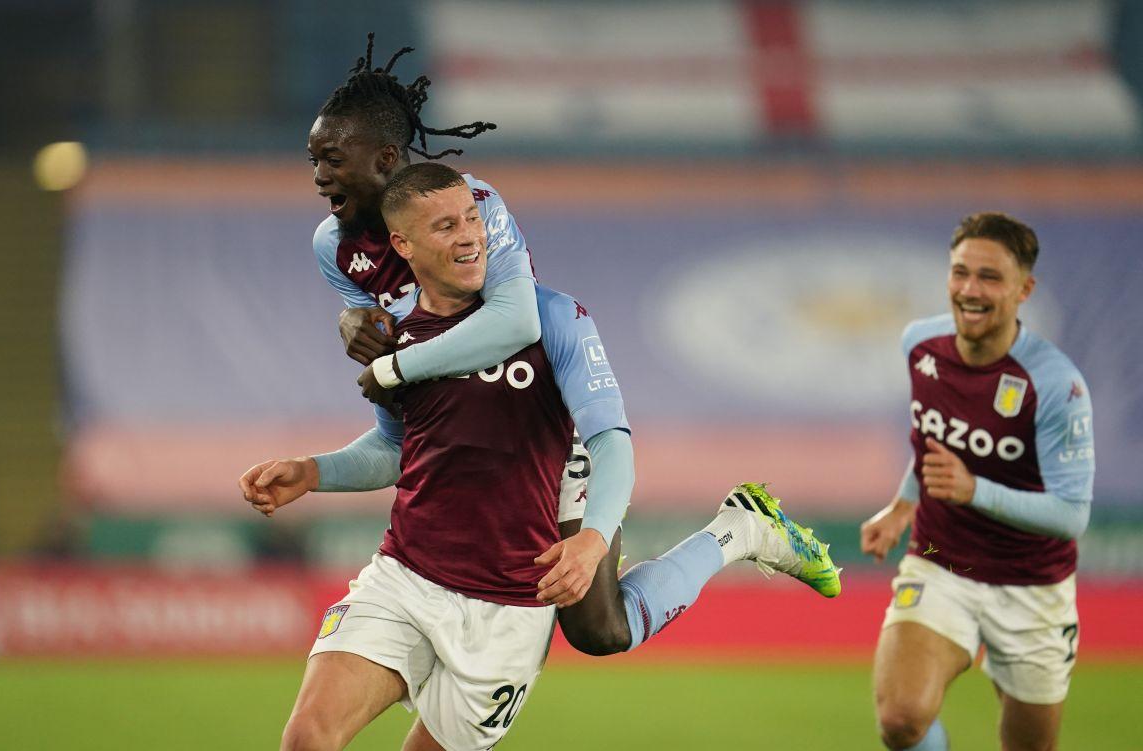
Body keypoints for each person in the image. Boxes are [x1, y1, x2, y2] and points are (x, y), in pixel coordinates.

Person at [242, 164, 840, 750]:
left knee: (603, 630)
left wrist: (594, 537)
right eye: (446, 226)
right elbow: (395, 450)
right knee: (307, 740)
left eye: (473, 219)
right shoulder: (392, 335)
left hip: (509, 605)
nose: (471, 235)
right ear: (402, 243)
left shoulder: (554, 317)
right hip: (404, 578)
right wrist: (314, 471)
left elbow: (613, 443)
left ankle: (737, 532)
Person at [304, 35, 840, 660]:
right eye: (314, 158)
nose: (318, 175)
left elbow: (514, 323)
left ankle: (740, 530)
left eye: (333, 159)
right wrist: (355, 325)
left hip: (540, 420)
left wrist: (395, 364)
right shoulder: (331, 247)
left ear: (386, 158)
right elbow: (388, 377)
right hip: (466, 427)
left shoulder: (470, 202)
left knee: (598, 629)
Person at [860, 212, 1095, 751]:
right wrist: (902, 506)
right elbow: (932, 443)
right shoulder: (920, 345)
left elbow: (1071, 514)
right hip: (943, 561)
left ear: (1023, 289)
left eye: (989, 277)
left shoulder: (1056, 384)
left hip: (1033, 586)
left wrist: (975, 491)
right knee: (900, 718)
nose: (970, 289)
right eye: (960, 272)